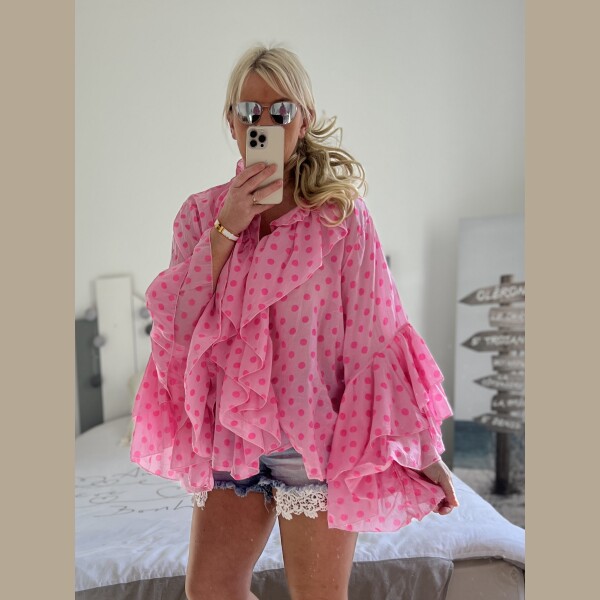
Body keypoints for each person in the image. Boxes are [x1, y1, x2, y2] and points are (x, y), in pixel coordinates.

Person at [131, 44, 458, 600]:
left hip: (316, 446)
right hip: (231, 441)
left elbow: (378, 337)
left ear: (303, 121)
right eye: (249, 111)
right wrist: (228, 228)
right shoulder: (199, 215)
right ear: (231, 122)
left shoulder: (341, 219)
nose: (264, 123)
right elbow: (176, 326)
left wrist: (426, 454)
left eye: (280, 111)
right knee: (208, 591)